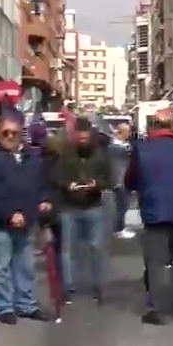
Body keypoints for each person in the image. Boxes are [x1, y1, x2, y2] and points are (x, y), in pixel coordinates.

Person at [0, 115, 52, 325]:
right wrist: (9, 213)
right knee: (1, 267)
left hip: (26, 221)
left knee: (25, 265)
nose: (9, 137)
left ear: (21, 134)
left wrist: (44, 199)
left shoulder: (32, 156)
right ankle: (5, 307)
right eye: (5, 133)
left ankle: (26, 305)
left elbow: (41, 183)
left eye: (14, 133)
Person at [126, 109, 173, 325]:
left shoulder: (142, 148)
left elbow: (131, 178)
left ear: (154, 125)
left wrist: (137, 189)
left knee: (157, 262)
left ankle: (158, 309)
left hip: (154, 209)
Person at [51, 117, 112, 305]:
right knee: (67, 249)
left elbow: (110, 180)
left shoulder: (101, 154)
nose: (83, 141)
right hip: (69, 207)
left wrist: (97, 184)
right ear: (75, 136)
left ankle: (99, 286)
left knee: (96, 247)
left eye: (86, 138)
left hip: (93, 206)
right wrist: (67, 184)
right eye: (80, 138)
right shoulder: (65, 153)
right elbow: (56, 176)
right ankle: (68, 288)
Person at [108, 122, 135, 238]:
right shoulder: (117, 148)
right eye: (128, 131)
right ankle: (119, 229)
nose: (129, 134)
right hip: (120, 179)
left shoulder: (122, 146)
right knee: (121, 205)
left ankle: (119, 227)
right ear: (122, 132)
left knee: (122, 205)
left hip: (122, 179)